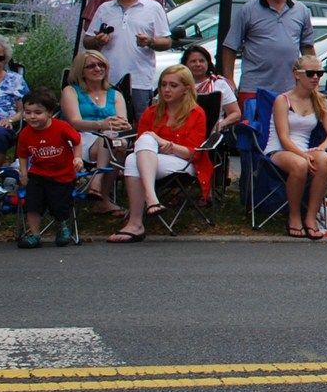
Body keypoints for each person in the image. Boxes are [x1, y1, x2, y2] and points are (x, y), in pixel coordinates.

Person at [110, 63, 208, 242]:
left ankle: (136, 221)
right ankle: (148, 203)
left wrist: (164, 143)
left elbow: (194, 154)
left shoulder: (196, 113)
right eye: (163, 85)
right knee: (135, 154)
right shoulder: (151, 112)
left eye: (173, 85)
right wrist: (152, 139)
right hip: (151, 160)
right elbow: (141, 144)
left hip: (183, 163)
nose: (166, 90)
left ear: (186, 89)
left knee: (142, 148)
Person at [263, 54, 327, 241]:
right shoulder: (283, 100)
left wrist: (320, 148)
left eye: (319, 73)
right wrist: (303, 156)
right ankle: (294, 215)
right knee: (300, 164)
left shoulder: (320, 100)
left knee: (325, 160)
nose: (316, 78)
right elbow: (283, 137)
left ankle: (311, 217)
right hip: (279, 149)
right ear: (297, 74)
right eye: (311, 73)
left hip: (304, 149)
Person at [83, 0, 172, 111]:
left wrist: (150, 41)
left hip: (139, 81)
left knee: (138, 126)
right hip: (106, 80)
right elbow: (87, 41)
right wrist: (98, 41)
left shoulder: (153, 8)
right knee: (108, 123)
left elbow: (167, 42)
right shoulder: (105, 8)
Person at [218, 0, 314, 99]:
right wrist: (229, 80)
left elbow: (307, 48)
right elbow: (230, 46)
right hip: (254, 89)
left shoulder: (301, 10)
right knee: (252, 121)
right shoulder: (248, 10)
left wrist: (311, 78)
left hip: (290, 89)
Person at [63, 49, 130, 212]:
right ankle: (101, 193)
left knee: (119, 143)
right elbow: (75, 122)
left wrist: (120, 125)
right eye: (91, 66)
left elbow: (122, 121)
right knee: (110, 139)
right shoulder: (71, 91)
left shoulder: (115, 94)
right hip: (81, 138)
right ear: (81, 71)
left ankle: (97, 187)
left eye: (101, 65)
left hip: (109, 137)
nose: (98, 69)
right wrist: (102, 124)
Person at [14, 88, 82, 248]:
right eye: (28, 112)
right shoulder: (25, 133)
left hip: (62, 174)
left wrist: (77, 157)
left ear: (50, 113)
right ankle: (34, 234)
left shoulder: (61, 127)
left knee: (59, 202)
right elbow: (22, 154)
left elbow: (77, 140)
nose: (32, 116)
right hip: (38, 173)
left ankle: (63, 227)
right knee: (32, 203)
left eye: (38, 112)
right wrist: (23, 173)